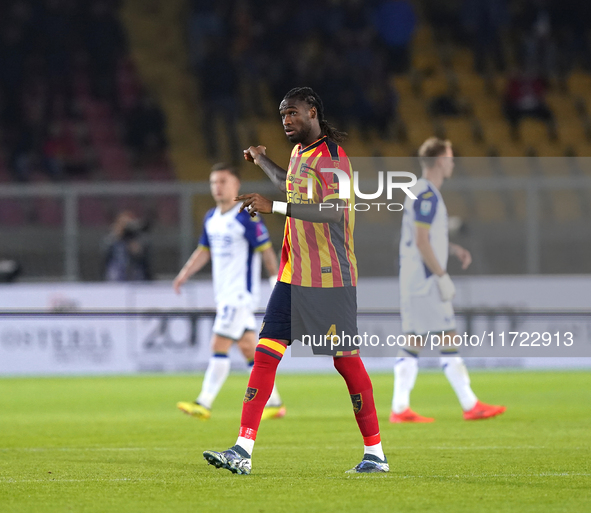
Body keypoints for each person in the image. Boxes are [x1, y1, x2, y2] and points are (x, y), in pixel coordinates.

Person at [202, 87, 388, 475]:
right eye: (282, 115)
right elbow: (291, 184)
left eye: (293, 114)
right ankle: (243, 448)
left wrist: (275, 207)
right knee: (266, 354)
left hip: (329, 275)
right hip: (293, 273)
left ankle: (375, 454)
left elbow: (333, 212)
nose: (286, 120)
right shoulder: (299, 153)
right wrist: (263, 160)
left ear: (313, 112)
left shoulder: (334, 158)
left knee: (345, 362)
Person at [391, 137, 506, 423]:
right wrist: (442, 276)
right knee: (448, 336)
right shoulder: (427, 195)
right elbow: (420, 240)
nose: (453, 162)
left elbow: (421, 237)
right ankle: (470, 404)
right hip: (426, 281)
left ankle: (400, 407)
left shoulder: (420, 191)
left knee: (413, 340)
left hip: (414, 279)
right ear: (441, 160)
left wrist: (452, 249)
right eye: (451, 157)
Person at [174, 163, 285, 421]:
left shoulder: (246, 215)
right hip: (224, 295)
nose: (218, 187)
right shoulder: (211, 218)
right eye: (214, 182)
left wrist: (275, 284)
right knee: (249, 348)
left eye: (223, 181)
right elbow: (204, 251)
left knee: (218, 343)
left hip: (240, 295)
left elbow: (266, 250)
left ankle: (203, 403)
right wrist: (184, 274)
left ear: (236, 185)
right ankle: (275, 403)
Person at [104, 210, 151, 282]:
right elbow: (105, 257)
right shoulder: (112, 240)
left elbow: (144, 261)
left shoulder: (138, 239)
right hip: (116, 278)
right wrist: (117, 235)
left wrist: (136, 247)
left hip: (136, 278)